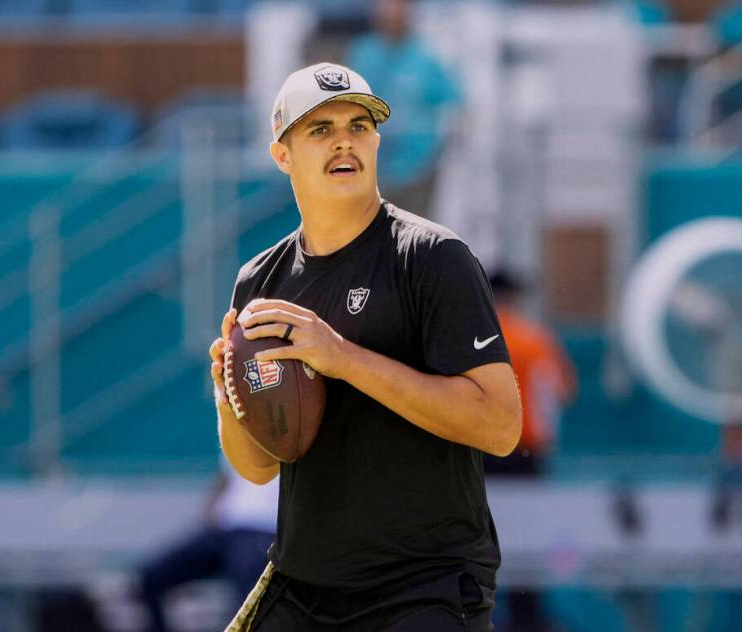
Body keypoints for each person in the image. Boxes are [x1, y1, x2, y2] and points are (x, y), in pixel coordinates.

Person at [207, 62, 522, 631]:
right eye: (320, 129)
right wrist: (229, 398)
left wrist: (344, 360)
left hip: (423, 585)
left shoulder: (432, 257)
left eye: (358, 125)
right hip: (305, 586)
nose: (344, 141)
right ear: (283, 154)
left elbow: (500, 426)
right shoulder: (260, 280)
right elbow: (258, 468)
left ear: (376, 141)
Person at [483, 270, 578, 632]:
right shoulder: (535, 339)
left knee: (480, 536)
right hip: (525, 455)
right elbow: (562, 391)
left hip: (480, 452)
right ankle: (527, 617)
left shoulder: (471, 338)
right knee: (528, 540)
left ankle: (480, 613)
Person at [343, 0, 463, 215]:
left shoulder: (426, 58)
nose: (392, 12)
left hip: (418, 167)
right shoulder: (362, 54)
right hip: (372, 168)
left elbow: (454, 103)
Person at [137, 467, 277, 632]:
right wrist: (208, 517)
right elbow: (225, 478)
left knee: (250, 600)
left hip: (263, 528)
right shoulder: (240, 442)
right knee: (150, 576)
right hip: (223, 529)